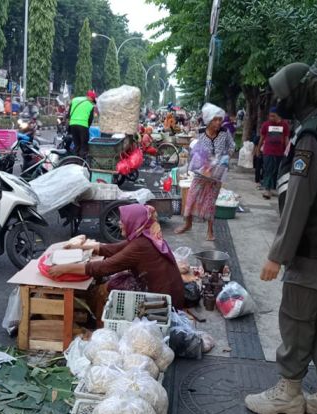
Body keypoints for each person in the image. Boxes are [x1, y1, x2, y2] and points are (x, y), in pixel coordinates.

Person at [244, 63, 317, 414]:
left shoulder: (309, 136)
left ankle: (289, 393)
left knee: (295, 318)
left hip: (310, 247)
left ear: (300, 94)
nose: (278, 100)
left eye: (283, 93)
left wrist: (278, 254)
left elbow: (300, 201)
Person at [48, 204, 185, 311]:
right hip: (169, 293)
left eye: (124, 220)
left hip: (162, 302)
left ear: (135, 222)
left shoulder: (141, 245)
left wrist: (64, 268)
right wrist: (79, 247)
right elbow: (111, 249)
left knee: (106, 288)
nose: (119, 223)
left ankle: (100, 327)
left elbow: (104, 267)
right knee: (115, 279)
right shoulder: (145, 235)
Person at [174, 103, 234, 241]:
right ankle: (187, 224)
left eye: (220, 119)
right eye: (215, 119)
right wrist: (201, 160)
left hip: (216, 174)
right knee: (191, 197)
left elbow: (231, 147)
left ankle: (210, 231)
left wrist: (225, 157)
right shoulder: (200, 132)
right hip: (201, 173)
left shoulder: (225, 133)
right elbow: (196, 150)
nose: (218, 122)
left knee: (210, 202)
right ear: (208, 120)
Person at [258, 107, 291, 199]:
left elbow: (286, 139)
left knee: (276, 170)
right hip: (268, 151)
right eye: (270, 116)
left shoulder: (284, 125)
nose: (271, 118)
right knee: (268, 169)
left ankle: (273, 188)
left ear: (278, 115)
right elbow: (262, 137)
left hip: (279, 152)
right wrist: (257, 149)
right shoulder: (266, 124)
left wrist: (288, 151)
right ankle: (267, 189)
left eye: (273, 116)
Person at [68, 90, 96, 158]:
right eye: (93, 100)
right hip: (83, 125)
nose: (92, 102)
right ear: (91, 98)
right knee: (84, 145)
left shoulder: (74, 99)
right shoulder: (90, 105)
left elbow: (69, 113)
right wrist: (87, 127)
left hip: (72, 124)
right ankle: (81, 163)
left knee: (76, 145)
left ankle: (74, 161)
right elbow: (90, 119)